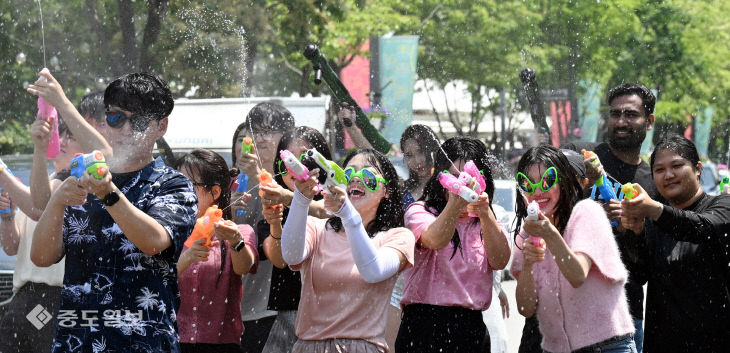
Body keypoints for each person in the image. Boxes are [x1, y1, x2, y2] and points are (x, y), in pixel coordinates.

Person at [31, 72, 197, 352]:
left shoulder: (171, 184)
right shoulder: (79, 175)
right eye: (116, 118)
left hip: (144, 343)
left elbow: (154, 241)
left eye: (140, 121)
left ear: (161, 126)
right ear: (105, 121)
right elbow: (41, 256)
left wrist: (108, 194)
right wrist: (57, 201)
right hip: (76, 342)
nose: (127, 130)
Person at [0, 79, 112, 353]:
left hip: (54, 296)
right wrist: (5, 216)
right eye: (59, 134)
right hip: (21, 296)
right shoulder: (44, 183)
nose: (59, 140)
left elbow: (37, 208)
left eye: (70, 135)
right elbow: (12, 247)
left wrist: (2, 171)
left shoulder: (77, 183)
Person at [281, 148, 415, 353]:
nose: (355, 179)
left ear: (387, 191)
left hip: (362, 347)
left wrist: (348, 215)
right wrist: (300, 199)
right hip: (309, 346)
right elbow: (290, 255)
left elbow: (373, 271)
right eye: (348, 173)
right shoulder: (317, 228)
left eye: (368, 174)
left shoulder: (397, 237)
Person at [511, 145, 636, 353]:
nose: (538, 191)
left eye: (548, 180)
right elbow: (525, 308)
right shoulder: (527, 232)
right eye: (527, 183)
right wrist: (528, 265)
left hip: (607, 346)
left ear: (564, 182)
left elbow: (577, 275)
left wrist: (550, 235)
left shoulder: (587, 213)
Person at [562, 82, 658, 352]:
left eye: (630, 114)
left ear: (648, 121)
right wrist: (586, 201)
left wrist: (631, 228)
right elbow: (548, 210)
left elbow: (643, 269)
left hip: (624, 319)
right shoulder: (582, 156)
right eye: (615, 114)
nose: (621, 121)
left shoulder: (652, 183)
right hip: (569, 310)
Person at [396, 136, 511, 353]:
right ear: (440, 177)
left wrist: (485, 213)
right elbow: (435, 240)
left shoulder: (486, 221)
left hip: (470, 328)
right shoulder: (420, 211)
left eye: (470, 177)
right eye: (454, 177)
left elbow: (500, 260)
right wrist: (455, 203)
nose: (462, 184)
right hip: (423, 325)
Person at [620, 134, 730, 352]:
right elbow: (638, 274)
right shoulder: (653, 222)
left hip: (715, 342)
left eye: (677, 166)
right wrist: (633, 233)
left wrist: (654, 210)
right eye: (659, 170)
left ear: (698, 168)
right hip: (663, 343)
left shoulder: (723, 206)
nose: (668, 175)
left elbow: (701, 228)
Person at [175, 149, 258, 353]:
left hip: (221, 345)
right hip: (174, 341)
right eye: (175, 183)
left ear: (215, 192)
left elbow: (244, 266)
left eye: (188, 185)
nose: (178, 191)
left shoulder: (238, 231)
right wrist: (187, 258)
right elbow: (156, 278)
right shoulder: (169, 232)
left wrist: (235, 242)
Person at [257, 126, 331, 353]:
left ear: (323, 162)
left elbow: (326, 210)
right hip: (290, 312)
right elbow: (280, 260)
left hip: (333, 312)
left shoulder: (337, 199)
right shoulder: (274, 209)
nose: (295, 167)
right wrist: (275, 223)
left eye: (304, 158)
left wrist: (291, 197)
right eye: (287, 161)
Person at [230, 101, 296, 353]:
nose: (261, 138)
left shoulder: (293, 179)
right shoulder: (239, 183)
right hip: (245, 302)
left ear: (287, 136)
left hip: (283, 305)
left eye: (270, 130)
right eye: (256, 131)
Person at [400, 124, 439, 208]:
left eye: (421, 152)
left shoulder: (448, 186)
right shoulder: (402, 190)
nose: (417, 161)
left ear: (433, 150)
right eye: (409, 155)